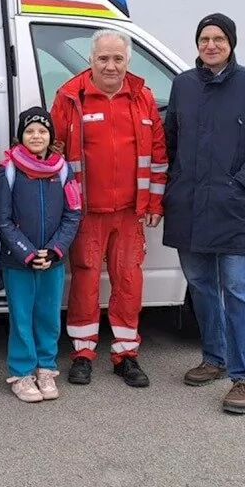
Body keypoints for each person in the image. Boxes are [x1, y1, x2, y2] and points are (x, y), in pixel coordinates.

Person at [163, 13, 245, 415]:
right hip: (190, 206)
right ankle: (213, 358)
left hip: (232, 207)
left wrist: (243, 182)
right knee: (200, 284)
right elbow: (171, 140)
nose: (210, 45)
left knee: (237, 290)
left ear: (231, 43)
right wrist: (176, 183)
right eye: (204, 38)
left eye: (218, 38)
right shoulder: (183, 85)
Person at [50, 29, 168, 388]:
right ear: (91, 59)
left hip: (131, 212)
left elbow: (159, 156)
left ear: (128, 60)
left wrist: (153, 202)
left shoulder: (143, 97)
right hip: (86, 212)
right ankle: (83, 353)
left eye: (118, 58)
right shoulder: (70, 96)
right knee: (85, 280)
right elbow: (52, 153)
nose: (111, 65)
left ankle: (125, 354)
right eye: (104, 58)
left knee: (128, 281)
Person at [0, 106, 82, 403]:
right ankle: (22, 372)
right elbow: (2, 218)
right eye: (29, 131)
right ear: (20, 136)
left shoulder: (64, 170)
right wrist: (27, 253)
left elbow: (73, 214)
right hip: (19, 261)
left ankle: (46, 368)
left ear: (50, 136)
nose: (36, 136)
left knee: (48, 316)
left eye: (42, 131)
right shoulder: (8, 170)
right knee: (21, 316)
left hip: (52, 260)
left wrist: (55, 250)